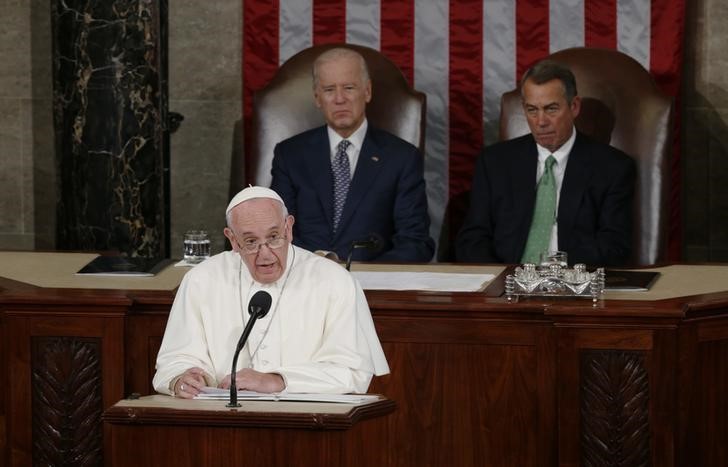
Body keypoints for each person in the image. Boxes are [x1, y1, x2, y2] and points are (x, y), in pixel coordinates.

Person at [153, 186, 390, 398]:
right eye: (251, 242)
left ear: (289, 228)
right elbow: (176, 358)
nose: (265, 254)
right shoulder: (201, 279)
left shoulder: (334, 281)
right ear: (233, 240)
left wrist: (274, 381)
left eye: (274, 237)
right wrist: (184, 379)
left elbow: (353, 372)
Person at [455, 59, 636, 266]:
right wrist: (501, 279)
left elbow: (615, 246)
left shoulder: (613, 167)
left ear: (574, 106)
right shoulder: (495, 162)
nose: (540, 122)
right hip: (507, 286)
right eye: (532, 110)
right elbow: (472, 239)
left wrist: (555, 275)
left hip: (573, 286)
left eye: (551, 109)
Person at [270, 47, 435, 262]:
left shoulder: (402, 158)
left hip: (371, 287)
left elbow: (415, 242)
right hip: (303, 282)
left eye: (349, 87)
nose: (340, 99)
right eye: (329, 90)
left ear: (367, 91)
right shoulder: (290, 155)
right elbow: (277, 233)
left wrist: (361, 277)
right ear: (317, 97)